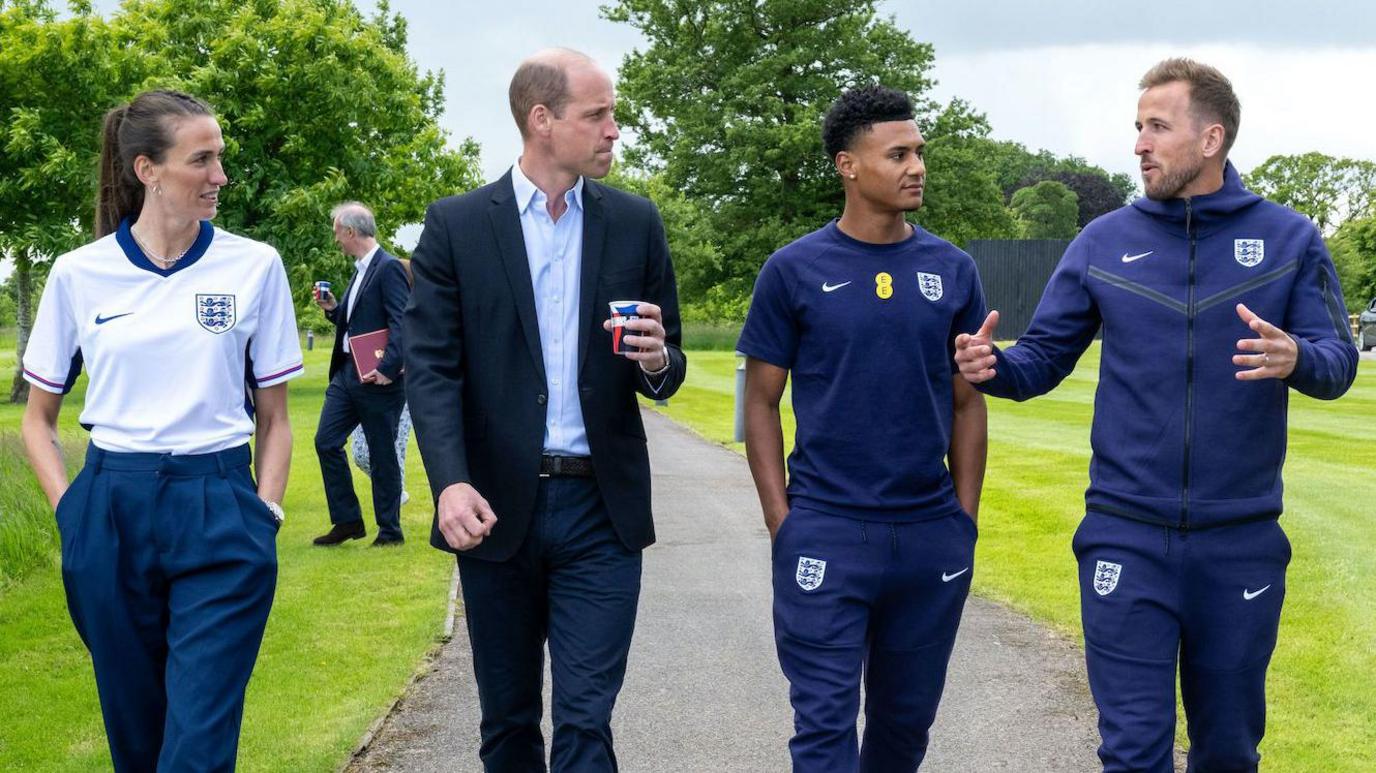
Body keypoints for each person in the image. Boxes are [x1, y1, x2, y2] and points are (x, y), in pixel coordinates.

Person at [954, 58, 1358, 772]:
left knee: (1229, 751)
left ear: (1211, 139)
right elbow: (1042, 357)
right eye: (1138, 127)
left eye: (1157, 127)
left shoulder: (1290, 239)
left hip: (1240, 542)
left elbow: (1337, 361)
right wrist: (996, 369)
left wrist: (1297, 356)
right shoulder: (1103, 243)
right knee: (1134, 749)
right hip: (1124, 537)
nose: (1140, 143)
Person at [404, 48, 686, 772]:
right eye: (597, 115)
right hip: (496, 505)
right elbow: (431, 369)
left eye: (612, 114)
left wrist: (655, 360)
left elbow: (669, 365)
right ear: (541, 120)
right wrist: (449, 482)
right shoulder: (457, 226)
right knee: (507, 722)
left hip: (602, 509)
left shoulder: (635, 222)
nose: (614, 129)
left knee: (587, 720)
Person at [20, 89, 302, 772]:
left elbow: (276, 416)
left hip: (221, 506)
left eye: (221, 158)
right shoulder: (78, 274)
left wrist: (262, 509)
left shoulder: (255, 265)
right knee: (137, 742)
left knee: (197, 746)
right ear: (147, 168)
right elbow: (38, 421)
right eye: (202, 160)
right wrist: (74, 514)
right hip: (111, 509)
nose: (221, 177)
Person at [738, 85, 988, 772]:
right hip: (826, 530)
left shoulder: (953, 270)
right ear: (849, 165)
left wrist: (962, 519)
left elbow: (969, 403)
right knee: (823, 727)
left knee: (904, 731)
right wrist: (782, 520)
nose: (917, 167)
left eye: (919, 152)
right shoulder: (793, 270)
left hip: (928, 534)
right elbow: (760, 401)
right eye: (898, 153)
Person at [312, 202, 410, 547]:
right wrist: (333, 310)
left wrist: (387, 369)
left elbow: (402, 322)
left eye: (338, 232)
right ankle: (348, 521)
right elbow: (357, 324)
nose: (336, 239)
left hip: (378, 379)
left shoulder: (388, 268)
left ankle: (390, 532)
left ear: (351, 232)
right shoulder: (360, 270)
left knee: (383, 455)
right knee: (326, 442)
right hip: (346, 375)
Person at [350, 258, 414, 506]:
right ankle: (395, 493)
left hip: (400, 389)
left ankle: (392, 505)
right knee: (361, 452)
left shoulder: (414, 312)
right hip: (366, 382)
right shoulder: (378, 307)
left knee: (392, 449)